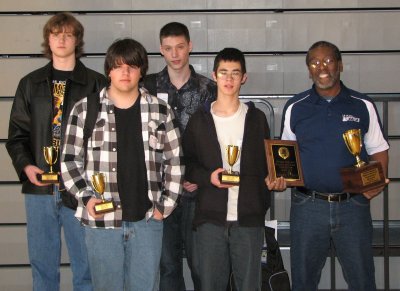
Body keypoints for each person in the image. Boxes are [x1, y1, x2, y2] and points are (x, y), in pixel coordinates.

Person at [61, 38, 184, 291]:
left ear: (142, 70)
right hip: (102, 224)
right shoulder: (85, 110)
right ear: (109, 71)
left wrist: (165, 206)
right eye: (118, 66)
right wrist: (87, 198)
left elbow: (175, 162)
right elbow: (69, 161)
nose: (125, 72)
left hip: (148, 222)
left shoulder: (160, 111)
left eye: (132, 66)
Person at [6, 12, 106, 291]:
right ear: (47, 40)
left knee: (86, 268)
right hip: (39, 191)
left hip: (81, 190)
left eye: (68, 34)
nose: (62, 39)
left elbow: (107, 139)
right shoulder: (30, 83)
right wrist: (26, 167)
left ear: (77, 40)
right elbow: (16, 137)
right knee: (43, 267)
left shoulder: (96, 84)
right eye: (56, 34)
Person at [280, 40, 389, 291]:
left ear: (339, 65)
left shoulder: (362, 105)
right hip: (307, 207)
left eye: (328, 60)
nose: (322, 67)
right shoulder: (295, 107)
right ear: (309, 69)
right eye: (315, 62)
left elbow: (379, 150)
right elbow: (285, 154)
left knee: (362, 280)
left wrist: (374, 184)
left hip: (353, 207)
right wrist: (280, 177)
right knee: (304, 281)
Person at [183, 47, 281, 291]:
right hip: (210, 221)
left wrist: (275, 180)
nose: (229, 79)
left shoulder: (257, 119)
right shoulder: (199, 119)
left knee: (249, 286)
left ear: (244, 78)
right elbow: (188, 165)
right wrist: (208, 177)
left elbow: (268, 167)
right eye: (224, 73)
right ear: (214, 75)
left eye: (235, 73)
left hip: (248, 220)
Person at [143, 21, 216, 291]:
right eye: (169, 48)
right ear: (161, 50)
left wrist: (202, 176)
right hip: (159, 192)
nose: (175, 54)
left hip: (197, 192)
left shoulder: (209, 89)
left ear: (190, 47)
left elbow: (218, 141)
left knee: (202, 266)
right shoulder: (146, 88)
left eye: (180, 47)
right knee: (167, 267)